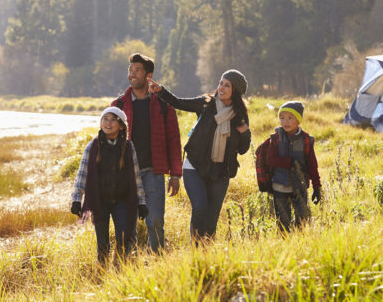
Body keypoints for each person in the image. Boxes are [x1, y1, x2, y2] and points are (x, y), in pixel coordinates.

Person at [148, 70, 251, 243]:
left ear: (236, 90)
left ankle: (206, 255)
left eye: (227, 85)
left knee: (211, 220)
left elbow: (242, 150)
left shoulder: (240, 115)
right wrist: (161, 91)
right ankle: (196, 251)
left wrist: (245, 133)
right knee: (200, 207)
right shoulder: (206, 103)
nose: (221, 87)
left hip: (220, 171)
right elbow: (178, 102)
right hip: (194, 165)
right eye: (220, 83)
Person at [111, 53, 182, 253]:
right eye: (130, 70)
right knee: (127, 223)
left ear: (148, 76)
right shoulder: (118, 106)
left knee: (155, 219)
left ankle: (156, 258)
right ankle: (127, 263)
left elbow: (174, 141)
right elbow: (108, 143)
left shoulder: (163, 105)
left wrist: (175, 174)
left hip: (154, 172)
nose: (131, 75)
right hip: (126, 174)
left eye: (137, 70)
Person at [70, 107, 148, 263]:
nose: (108, 123)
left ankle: (121, 267)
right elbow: (82, 173)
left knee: (125, 238)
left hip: (122, 201)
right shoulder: (92, 146)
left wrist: (141, 202)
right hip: (99, 202)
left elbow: (136, 176)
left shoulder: (128, 147)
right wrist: (77, 199)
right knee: (103, 243)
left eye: (113, 120)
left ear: (121, 126)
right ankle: (102, 270)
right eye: (105, 119)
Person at [254, 101, 322, 232]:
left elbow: (312, 165)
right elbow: (270, 159)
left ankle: (299, 244)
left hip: (300, 186)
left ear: (298, 120)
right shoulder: (276, 139)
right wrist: (289, 163)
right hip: (279, 187)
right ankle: (284, 244)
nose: (286, 122)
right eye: (282, 118)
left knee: (302, 220)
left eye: (290, 118)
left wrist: (317, 186)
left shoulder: (306, 140)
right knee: (283, 222)